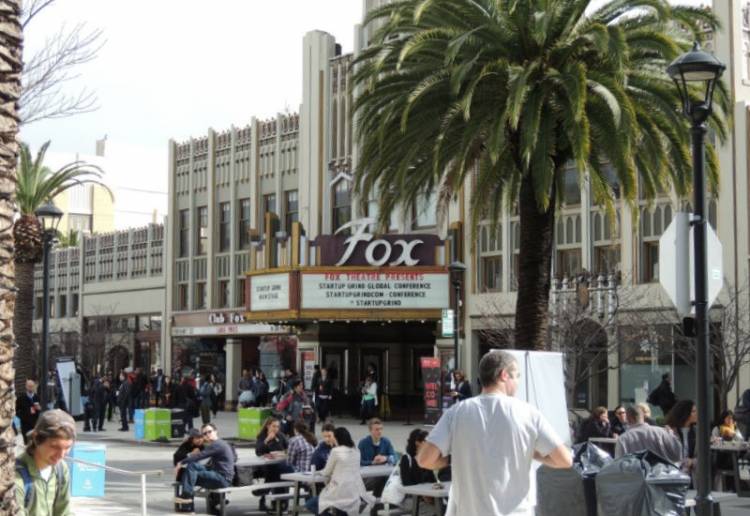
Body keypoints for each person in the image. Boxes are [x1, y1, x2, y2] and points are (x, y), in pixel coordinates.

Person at [417, 350, 572, 516]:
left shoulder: (457, 412)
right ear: (504, 375)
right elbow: (564, 460)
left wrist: (451, 460)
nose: (518, 382)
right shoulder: (528, 413)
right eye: (517, 376)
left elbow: (425, 460)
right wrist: (533, 453)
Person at [15, 409, 76, 516]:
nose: (61, 455)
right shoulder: (16, 476)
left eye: (67, 448)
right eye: (55, 447)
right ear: (36, 438)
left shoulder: (61, 469)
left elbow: (64, 512)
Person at [305, 427, 375, 516]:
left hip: (339, 490)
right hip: (354, 491)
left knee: (311, 504)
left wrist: (317, 472)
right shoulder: (356, 451)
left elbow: (326, 472)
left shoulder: (336, 451)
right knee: (341, 509)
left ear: (337, 438)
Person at [175, 423, 237, 507]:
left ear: (216, 431)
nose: (207, 435)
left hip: (222, 479)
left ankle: (187, 499)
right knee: (192, 467)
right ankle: (190, 501)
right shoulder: (220, 443)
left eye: (209, 432)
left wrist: (181, 463)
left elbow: (200, 456)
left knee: (188, 475)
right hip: (220, 475)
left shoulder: (217, 444)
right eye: (204, 433)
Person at [615, 406, 681, 463]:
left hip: (636, 476)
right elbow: (678, 455)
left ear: (628, 418)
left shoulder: (623, 439)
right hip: (662, 475)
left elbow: (619, 465)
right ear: (643, 417)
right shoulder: (662, 432)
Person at [255, 417, 293, 512]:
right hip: (266, 465)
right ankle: (278, 503)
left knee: (280, 474)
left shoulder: (281, 435)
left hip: (279, 463)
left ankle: (269, 497)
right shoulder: (262, 436)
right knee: (275, 474)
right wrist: (267, 440)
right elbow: (258, 451)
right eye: (273, 426)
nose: (276, 429)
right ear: (268, 426)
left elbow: (288, 448)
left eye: (277, 426)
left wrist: (284, 453)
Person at [358, 418, 396, 497]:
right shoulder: (363, 443)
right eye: (376, 429)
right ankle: (378, 502)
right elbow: (358, 461)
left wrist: (386, 458)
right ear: (370, 430)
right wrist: (372, 462)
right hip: (367, 477)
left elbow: (395, 458)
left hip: (382, 474)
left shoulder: (386, 442)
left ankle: (380, 502)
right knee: (382, 479)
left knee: (389, 478)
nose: (379, 431)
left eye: (381, 429)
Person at [665, 399, 697, 473]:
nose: (697, 413)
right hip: (674, 473)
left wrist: (692, 461)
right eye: (693, 411)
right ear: (685, 413)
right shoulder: (670, 430)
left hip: (692, 475)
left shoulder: (697, 432)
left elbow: (703, 456)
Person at [16, 379, 42, 445]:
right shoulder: (21, 398)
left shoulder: (37, 397)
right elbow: (16, 410)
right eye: (29, 386)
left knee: (35, 442)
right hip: (25, 424)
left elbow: (42, 409)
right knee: (26, 442)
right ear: (26, 386)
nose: (31, 388)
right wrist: (22, 417)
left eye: (32, 386)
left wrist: (39, 408)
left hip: (35, 423)